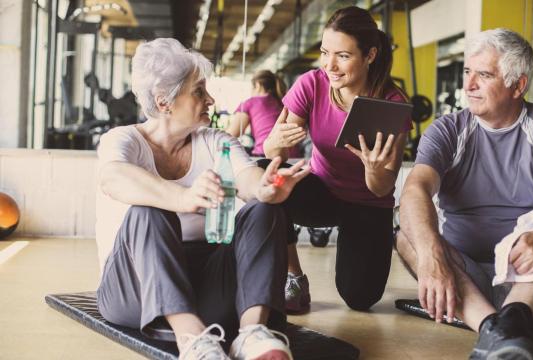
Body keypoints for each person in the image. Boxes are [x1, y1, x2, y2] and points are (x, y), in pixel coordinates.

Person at [95, 38, 310, 360]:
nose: (210, 99)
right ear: (164, 102)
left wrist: (264, 188)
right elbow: (113, 178)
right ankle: (191, 339)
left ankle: (252, 334)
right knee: (148, 211)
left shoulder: (216, 140)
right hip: (134, 289)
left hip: (207, 283)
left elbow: (246, 176)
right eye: (198, 91)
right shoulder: (123, 139)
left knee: (264, 209)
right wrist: (183, 197)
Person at [395, 29, 533, 359]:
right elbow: (415, 189)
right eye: (467, 73)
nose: (468, 85)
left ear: (518, 85)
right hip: (462, 279)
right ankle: (494, 329)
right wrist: (430, 256)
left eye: (483, 75)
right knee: (406, 235)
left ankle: (512, 319)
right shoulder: (449, 130)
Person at [262, 6, 411, 313]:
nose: (329, 65)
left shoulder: (392, 104)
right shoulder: (311, 84)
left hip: (368, 204)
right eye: (325, 52)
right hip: (321, 191)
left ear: (370, 55)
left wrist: (372, 169)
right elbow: (275, 157)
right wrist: (272, 144)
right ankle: (295, 279)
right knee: (266, 176)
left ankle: (369, 242)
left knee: (360, 299)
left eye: (343, 55)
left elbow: (382, 189)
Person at [226, 70, 302, 158]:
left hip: (266, 156)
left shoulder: (250, 103)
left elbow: (230, 135)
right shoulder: (283, 103)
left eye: (252, 88)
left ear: (258, 85)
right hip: (294, 157)